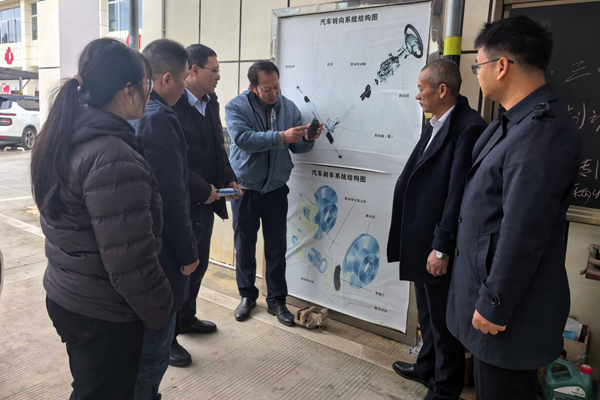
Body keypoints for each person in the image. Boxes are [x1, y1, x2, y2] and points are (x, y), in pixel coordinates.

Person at [30, 38, 173, 400]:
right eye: (146, 84)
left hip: (68, 293)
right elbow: (130, 261)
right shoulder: (112, 156)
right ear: (128, 91)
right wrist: (162, 310)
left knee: (89, 388)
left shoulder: (64, 135)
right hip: (102, 313)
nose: (149, 93)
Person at [446, 16, 580, 400]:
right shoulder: (510, 123)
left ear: (501, 66)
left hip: (511, 313)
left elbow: (523, 230)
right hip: (491, 299)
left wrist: (493, 303)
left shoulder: (542, 131)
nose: (477, 75)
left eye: (478, 66)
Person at [387, 59, 487, 400]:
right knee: (428, 313)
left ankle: (445, 388)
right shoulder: (436, 123)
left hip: (438, 242)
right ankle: (426, 366)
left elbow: (458, 193)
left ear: (442, 90)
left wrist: (441, 247)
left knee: (445, 320)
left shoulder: (468, 127)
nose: (418, 95)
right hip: (421, 237)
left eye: (422, 89)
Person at [225, 61, 322, 326]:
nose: (273, 93)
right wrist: (281, 137)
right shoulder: (236, 107)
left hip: (276, 189)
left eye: (277, 87)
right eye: (266, 89)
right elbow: (243, 139)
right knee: (245, 246)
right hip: (245, 189)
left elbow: (297, 148)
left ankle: (277, 300)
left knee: (277, 248)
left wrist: (307, 139)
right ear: (252, 87)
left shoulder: (289, 108)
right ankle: (247, 296)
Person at [132, 39, 199, 398]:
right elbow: (172, 195)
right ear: (168, 78)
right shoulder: (158, 119)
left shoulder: (137, 113)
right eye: (186, 78)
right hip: (161, 247)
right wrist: (188, 252)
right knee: (152, 355)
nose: (187, 86)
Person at [170, 44, 240, 366]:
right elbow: (173, 163)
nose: (219, 77)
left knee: (198, 264)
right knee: (179, 269)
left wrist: (229, 179)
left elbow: (218, 147)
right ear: (194, 71)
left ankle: (187, 317)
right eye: (215, 70)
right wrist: (205, 189)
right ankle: (168, 337)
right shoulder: (172, 106)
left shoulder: (210, 103)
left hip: (207, 200)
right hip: (182, 202)